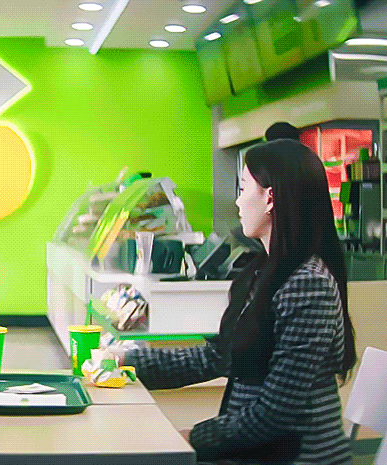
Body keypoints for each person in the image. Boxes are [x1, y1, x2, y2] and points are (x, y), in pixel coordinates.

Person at [122, 139, 356, 464]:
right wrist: (128, 362)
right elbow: (217, 358)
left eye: (243, 188)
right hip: (258, 451)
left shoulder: (309, 285)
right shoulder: (264, 271)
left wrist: (193, 438)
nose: (237, 201)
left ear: (270, 198)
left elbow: (276, 412)